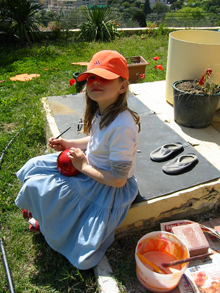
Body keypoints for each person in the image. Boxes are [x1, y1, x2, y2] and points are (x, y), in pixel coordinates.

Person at [15, 50, 141, 270]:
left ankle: (45, 222)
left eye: (104, 78)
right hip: (88, 167)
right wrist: (67, 144)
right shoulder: (103, 110)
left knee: (43, 187)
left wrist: (83, 166)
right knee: (34, 165)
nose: (95, 82)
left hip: (105, 183)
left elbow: (119, 180)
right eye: (91, 77)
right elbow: (94, 142)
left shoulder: (122, 127)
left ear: (122, 87)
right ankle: (42, 214)